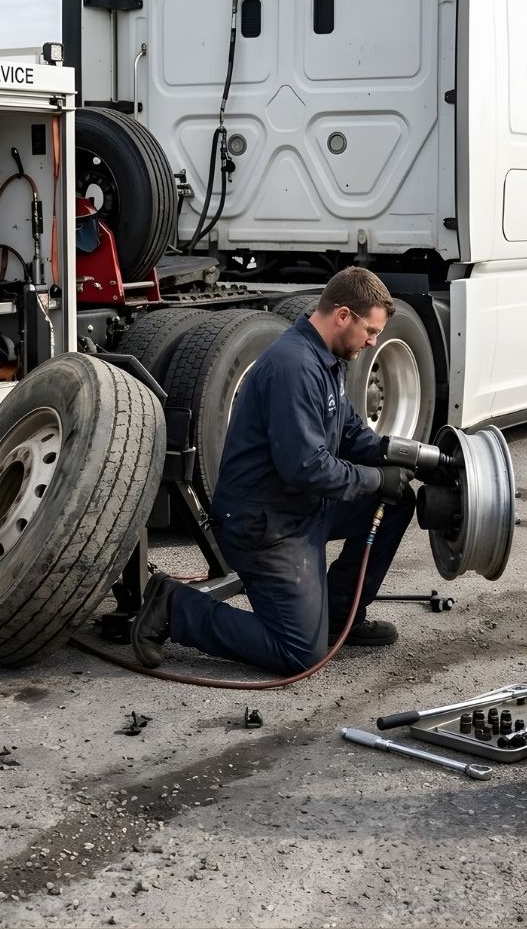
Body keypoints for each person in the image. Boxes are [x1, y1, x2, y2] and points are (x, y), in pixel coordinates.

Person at [132, 266, 417, 675]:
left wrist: (406, 457)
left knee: (397, 500)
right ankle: (174, 606)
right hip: (265, 526)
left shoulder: (328, 359)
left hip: (302, 508)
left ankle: (341, 616)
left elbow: (350, 432)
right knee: (299, 653)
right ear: (342, 315)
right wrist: (374, 478)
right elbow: (307, 468)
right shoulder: (293, 367)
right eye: (370, 330)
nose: (373, 340)